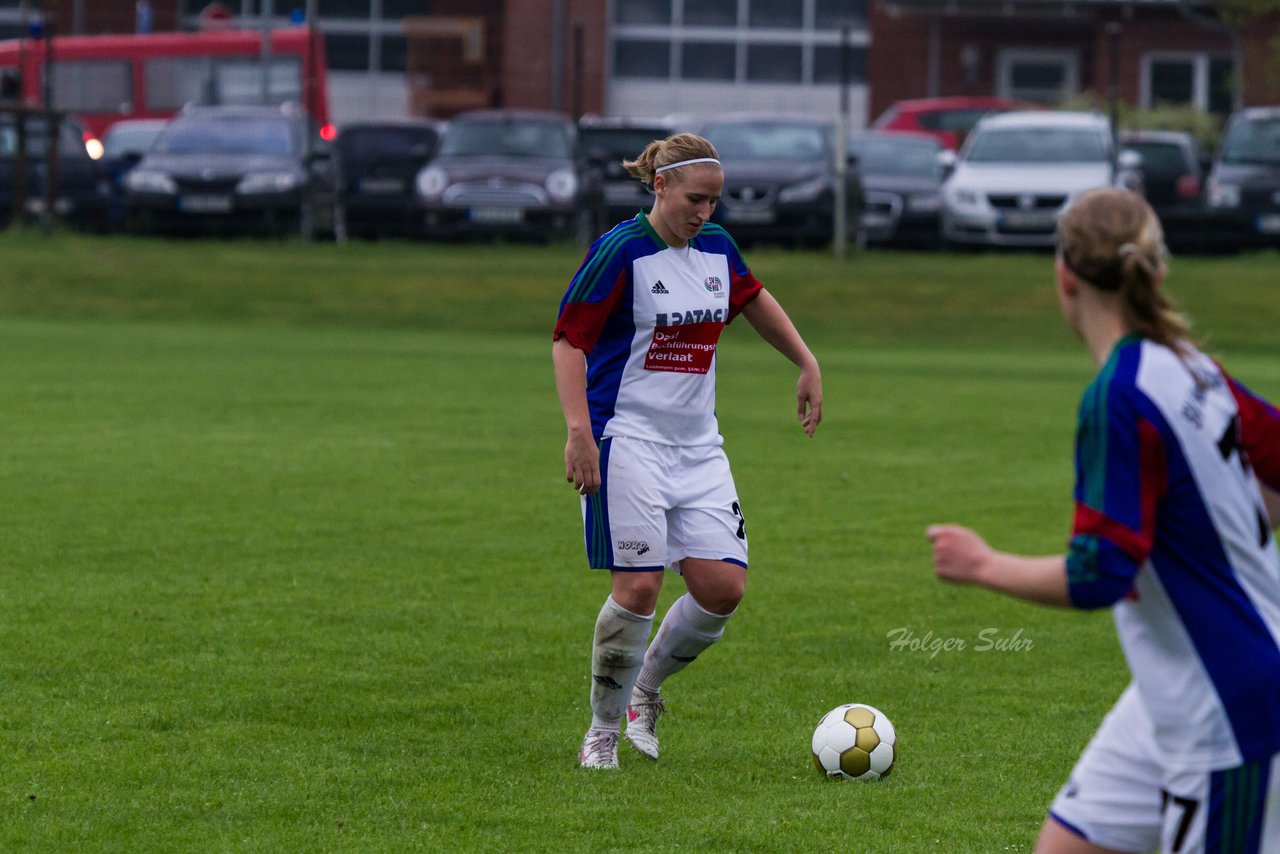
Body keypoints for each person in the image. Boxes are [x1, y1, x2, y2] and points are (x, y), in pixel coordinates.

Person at [928, 187, 1280, 853]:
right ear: (1155, 269)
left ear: (1063, 276)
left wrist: (981, 565)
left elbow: (1100, 574)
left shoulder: (1120, 397)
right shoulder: (1192, 365)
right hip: (1175, 686)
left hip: (1228, 709)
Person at [552, 133, 823, 770]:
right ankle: (601, 732)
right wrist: (577, 432)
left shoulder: (717, 249)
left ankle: (643, 692)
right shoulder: (620, 253)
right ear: (661, 187)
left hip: (700, 448)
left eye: (714, 202)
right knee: (639, 586)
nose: (704, 213)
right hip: (626, 442)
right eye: (694, 200)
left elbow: (752, 298)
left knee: (723, 586)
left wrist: (806, 361)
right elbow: (569, 342)